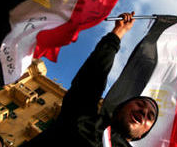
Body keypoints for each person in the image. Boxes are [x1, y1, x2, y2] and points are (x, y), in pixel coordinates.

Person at [21, 12, 159, 146]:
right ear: (119, 109)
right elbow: (92, 78)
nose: (144, 111)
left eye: (150, 116)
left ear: (142, 134)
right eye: (140, 104)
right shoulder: (82, 120)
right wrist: (118, 32)